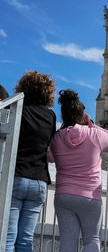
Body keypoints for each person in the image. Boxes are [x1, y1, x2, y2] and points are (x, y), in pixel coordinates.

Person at [49, 89, 108, 252]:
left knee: (67, 243)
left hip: (63, 195)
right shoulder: (94, 134)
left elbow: (50, 158)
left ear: (64, 115)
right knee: (91, 240)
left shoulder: (57, 138)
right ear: (82, 115)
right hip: (90, 197)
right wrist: (92, 125)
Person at [6, 71, 56, 252]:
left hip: (17, 176)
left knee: (7, 239)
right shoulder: (50, 116)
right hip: (39, 182)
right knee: (26, 241)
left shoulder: (17, 109)